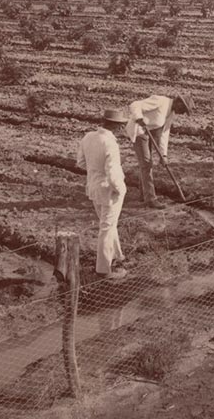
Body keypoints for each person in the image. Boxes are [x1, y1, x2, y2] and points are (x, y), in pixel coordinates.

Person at [75, 109, 129, 279]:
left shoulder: (89, 137)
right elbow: (112, 173)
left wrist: (95, 172)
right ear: (117, 127)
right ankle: (104, 269)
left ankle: (118, 256)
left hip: (93, 188)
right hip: (109, 191)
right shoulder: (110, 143)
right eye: (122, 126)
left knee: (108, 224)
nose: (123, 130)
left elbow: (81, 162)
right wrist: (121, 189)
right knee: (106, 228)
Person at [126, 93, 194, 206]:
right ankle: (150, 199)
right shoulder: (160, 101)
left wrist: (164, 155)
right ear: (178, 102)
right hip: (139, 131)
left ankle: (144, 194)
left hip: (150, 133)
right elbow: (135, 105)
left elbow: (164, 134)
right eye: (183, 109)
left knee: (146, 164)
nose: (182, 113)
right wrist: (139, 118)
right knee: (146, 164)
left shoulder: (171, 114)